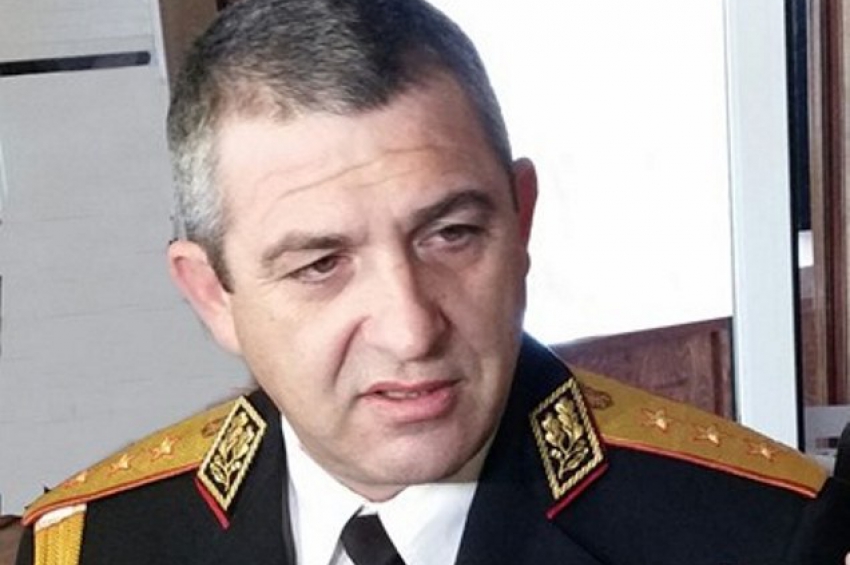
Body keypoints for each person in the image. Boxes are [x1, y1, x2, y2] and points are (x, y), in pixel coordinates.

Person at [14, 0, 850, 563]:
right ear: (212, 294)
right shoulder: (91, 543)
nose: (411, 329)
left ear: (521, 221)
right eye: (321, 264)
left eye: (451, 235)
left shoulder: (765, 534)